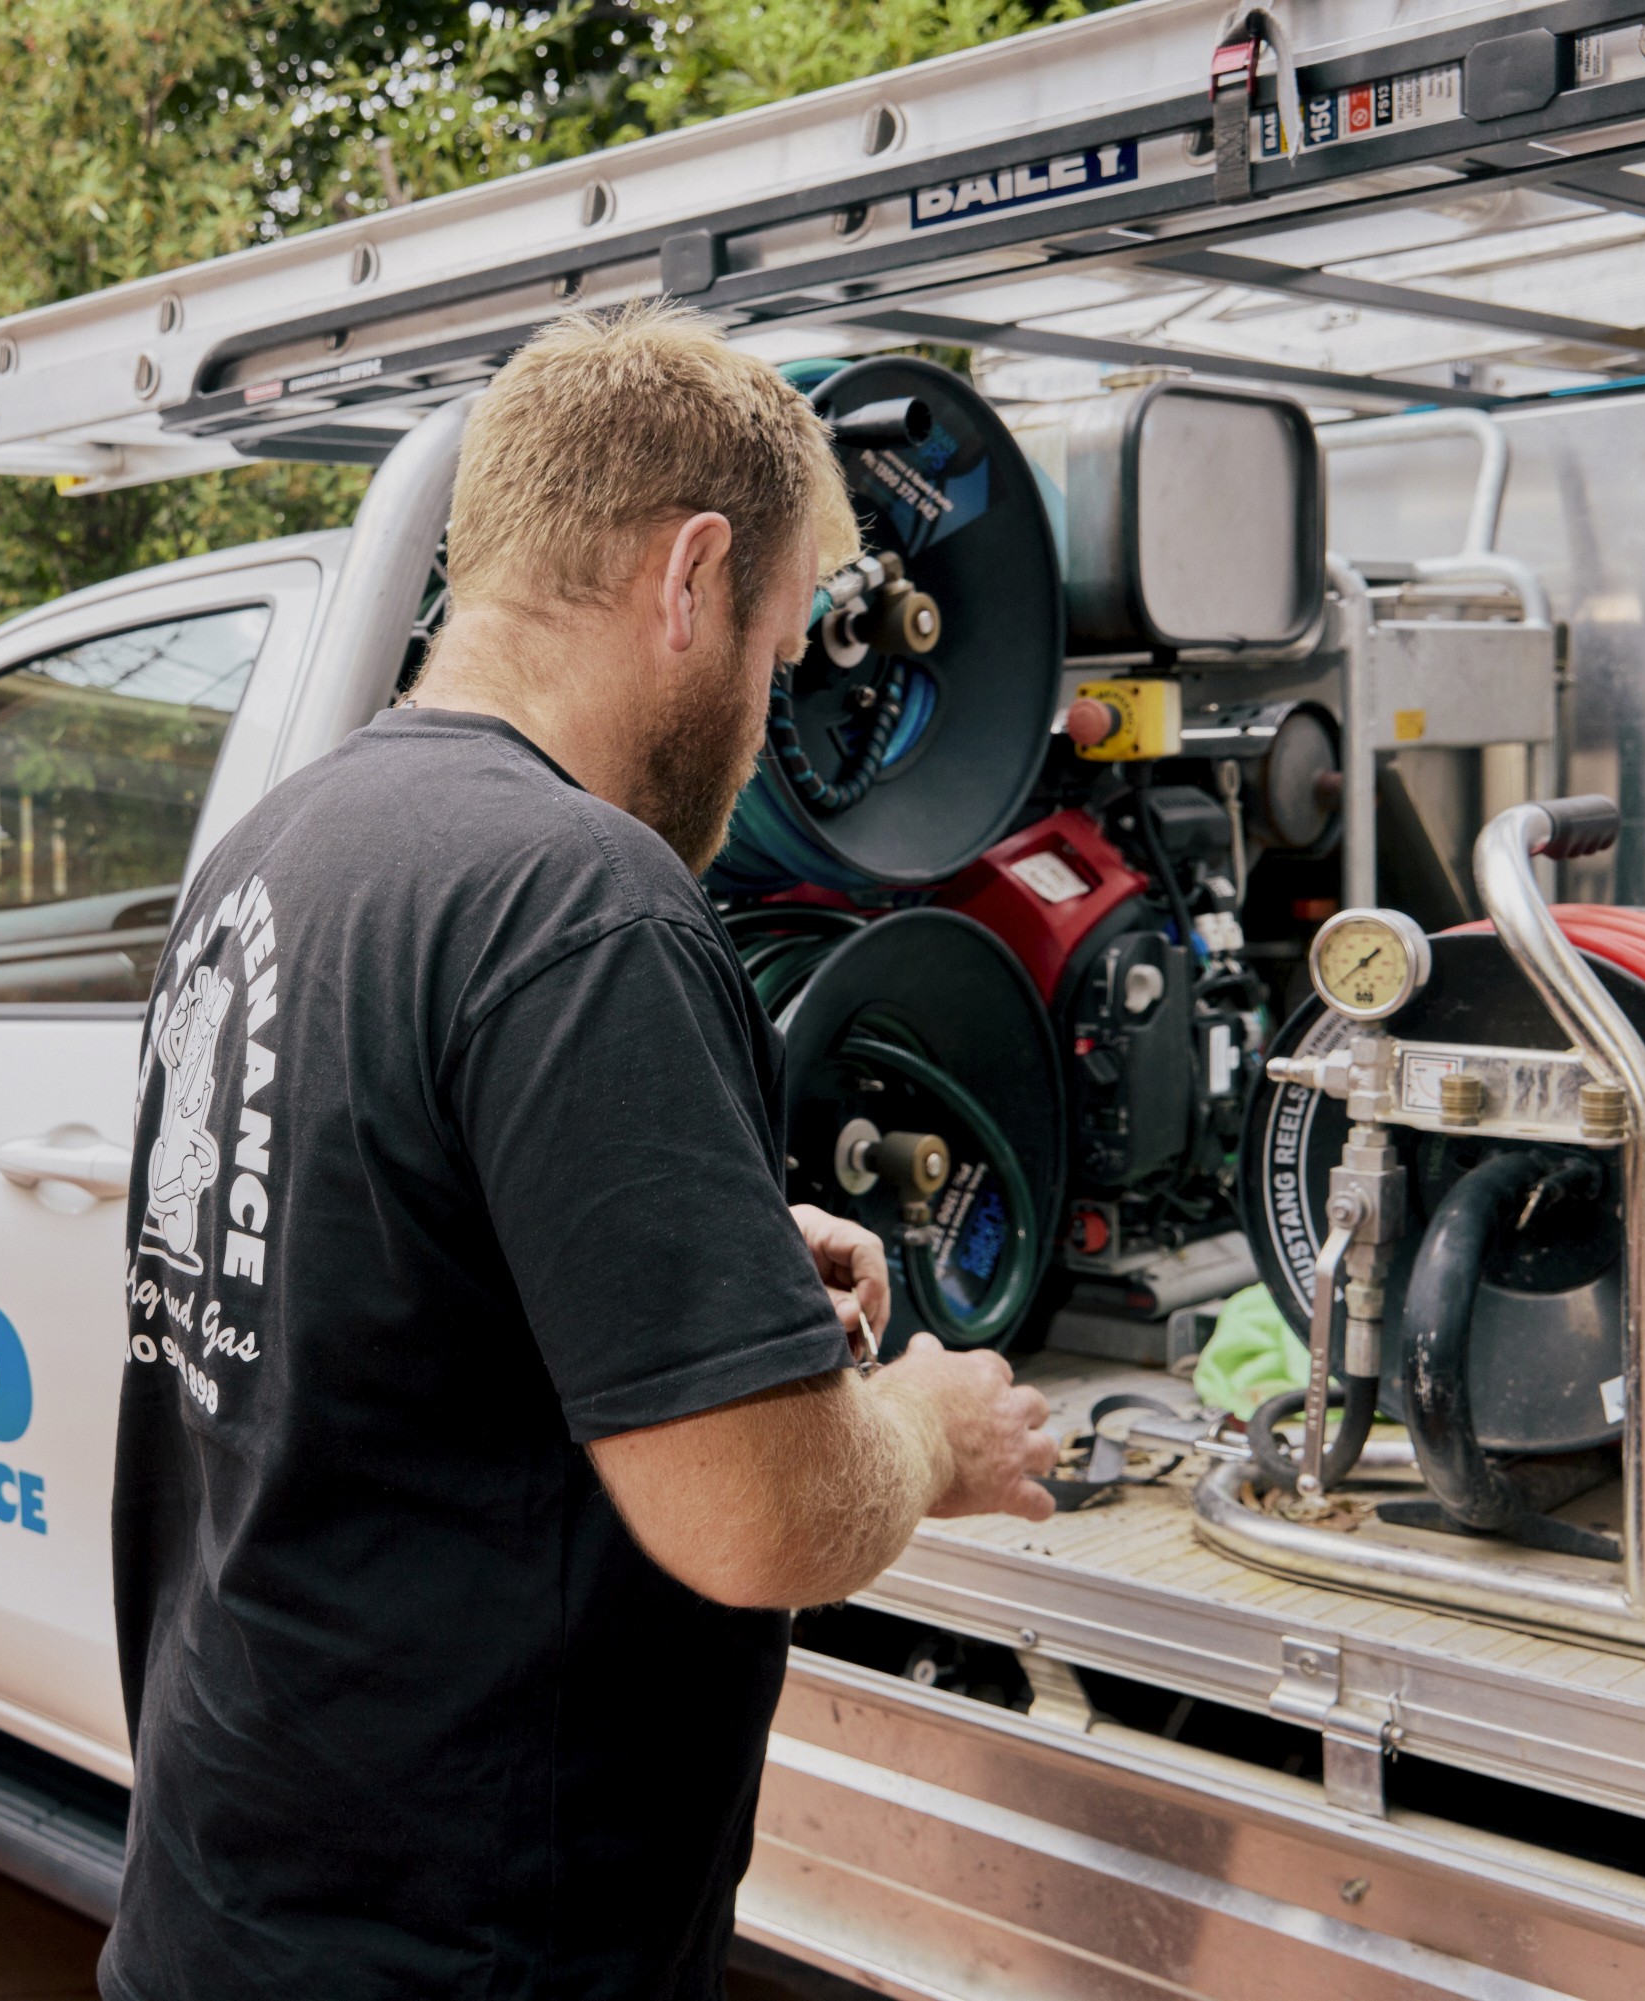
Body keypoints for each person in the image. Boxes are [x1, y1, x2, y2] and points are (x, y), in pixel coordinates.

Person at [108, 302, 1060, 2000]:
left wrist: (711, 1247)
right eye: (774, 655)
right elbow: (754, 1521)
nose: (768, 717)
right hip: (465, 1957)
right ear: (689, 578)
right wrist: (923, 1430)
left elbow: (374, 1259)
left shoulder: (282, 850)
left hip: (225, 1908)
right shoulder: (588, 899)